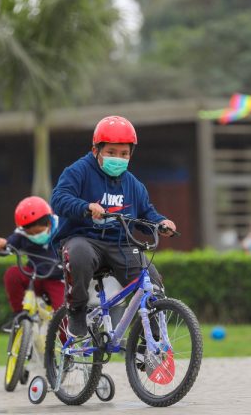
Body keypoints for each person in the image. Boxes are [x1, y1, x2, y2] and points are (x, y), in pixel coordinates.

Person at [50, 115, 176, 337]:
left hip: (120, 244)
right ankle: (77, 309)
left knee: (152, 280)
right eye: (111, 152)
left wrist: (160, 223)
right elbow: (59, 199)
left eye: (124, 154)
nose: (118, 158)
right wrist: (85, 206)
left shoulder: (133, 185)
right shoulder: (78, 171)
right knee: (77, 254)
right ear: (95, 150)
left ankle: (153, 339)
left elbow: (146, 213)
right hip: (84, 239)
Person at [0, 196, 64, 325]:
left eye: (38, 232)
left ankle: (66, 342)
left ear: (49, 222)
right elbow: (9, 244)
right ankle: (18, 315)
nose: (34, 236)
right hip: (34, 276)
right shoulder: (21, 234)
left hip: (57, 280)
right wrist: (3, 245)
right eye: (30, 234)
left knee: (63, 316)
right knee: (12, 274)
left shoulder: (63, 228)